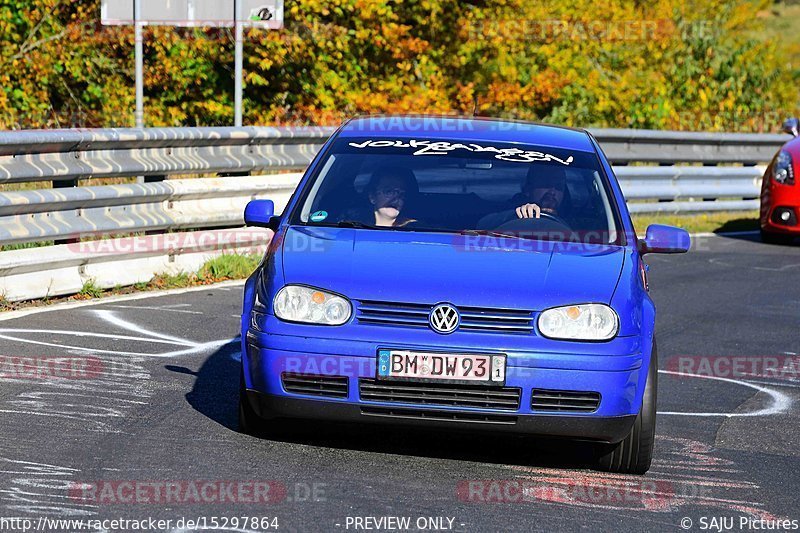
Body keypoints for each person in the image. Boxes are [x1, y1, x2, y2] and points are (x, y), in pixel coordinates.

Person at [478, 165, 569, 229]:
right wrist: (517, 214)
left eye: (559, 186)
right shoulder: (509, 211)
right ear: (528, 189)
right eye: (546, 184)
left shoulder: (575, 218)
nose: (552, 192)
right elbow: (482, 224)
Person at [339, 166, 419, 227]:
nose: (395, 198)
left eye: (401, 193)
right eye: (388, 191)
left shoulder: (416, 229)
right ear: (372, 197)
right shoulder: (349, 225)